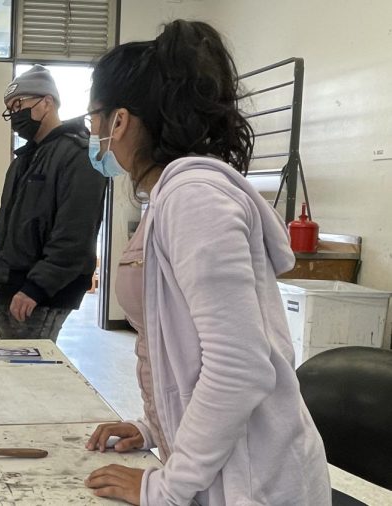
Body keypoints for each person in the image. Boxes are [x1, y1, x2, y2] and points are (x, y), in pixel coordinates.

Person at [81, 20, 330, 505]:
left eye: (93, 117)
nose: (91, 132)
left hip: (253, 484)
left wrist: (165, 488)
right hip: (221, 469)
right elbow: (183, 349)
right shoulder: (172, 197)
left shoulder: (193, 198)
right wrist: (153, 428)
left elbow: (238, 367)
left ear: (120, 121)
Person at [0, 65, 107, 341]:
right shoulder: (24, 160)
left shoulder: (77, 156)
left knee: (28, 373)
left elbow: (75, 234)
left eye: (19, 104)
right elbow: (4, 225)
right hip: (15, 287)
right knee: (14, 369)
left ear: (47, 102)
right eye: (10, 109)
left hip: (42, 293)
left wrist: (36, 287)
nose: (15, 115)